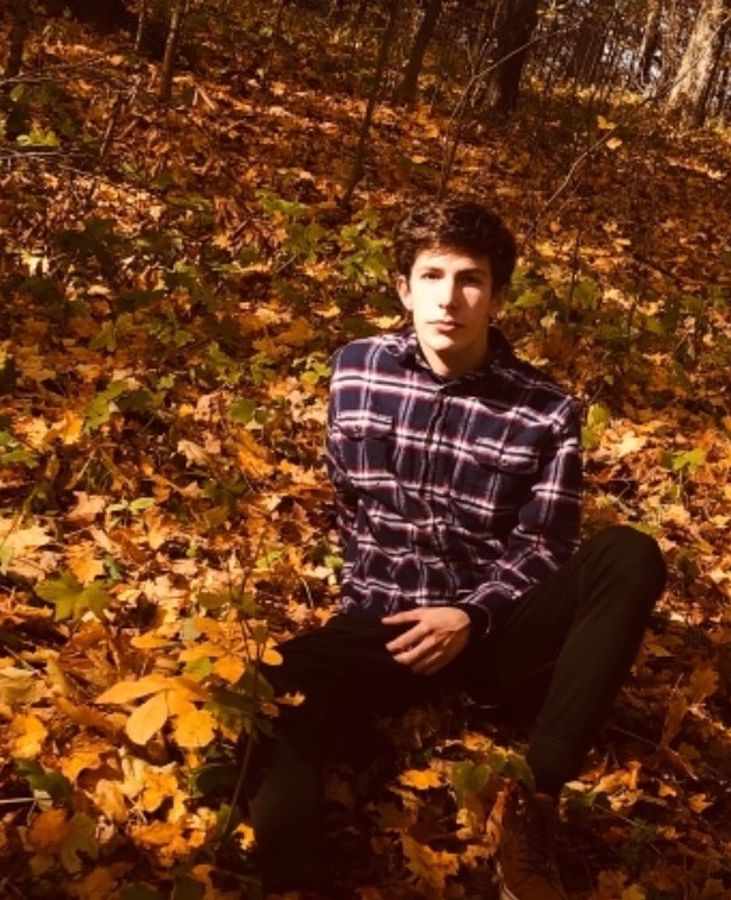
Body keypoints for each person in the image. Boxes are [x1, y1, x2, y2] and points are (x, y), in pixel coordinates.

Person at [245, 199, 667, 898]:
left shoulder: (545, 408)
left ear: (497, 297)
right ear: (404, 289)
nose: (449, 299)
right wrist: (363, 615)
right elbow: (349, 503)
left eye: (470, 279)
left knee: (628, 553)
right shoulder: (356, 370)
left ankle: (536, 800)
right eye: (432, 276)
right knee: (269, 687)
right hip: (386, 624)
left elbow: (546, 543)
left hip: (496, 631)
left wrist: (472, 614)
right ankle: (294, 881)